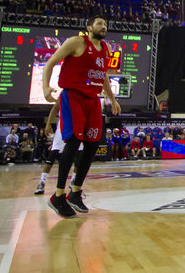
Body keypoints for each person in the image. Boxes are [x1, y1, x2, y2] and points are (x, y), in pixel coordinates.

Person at [42, 15, 121, 217]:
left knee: (93, 143)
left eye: (105, 24)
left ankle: (75, 191)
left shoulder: (106, 49)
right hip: (74, 95)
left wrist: (112, 99)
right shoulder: (76, 42)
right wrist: (45, 88)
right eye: (100, 23)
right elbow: (50, 63)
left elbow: (103, 75)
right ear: (88, 27)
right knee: (74, 140)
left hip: (93, 99)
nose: (104, 27)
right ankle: (58, 195)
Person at [34, 80, 85, 195]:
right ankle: (42, 181)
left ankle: (74, 180)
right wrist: (48, 124)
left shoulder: (83, 93)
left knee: (78, 157)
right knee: (52, 156)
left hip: (77, 128)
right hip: (62, 129)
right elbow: (55, 108)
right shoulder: (65, 93)